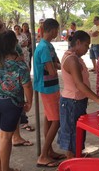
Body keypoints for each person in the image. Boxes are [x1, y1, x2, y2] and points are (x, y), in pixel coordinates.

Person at [58, 30, 99, 159]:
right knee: (72, 135)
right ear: (77, 42)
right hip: (72, 101)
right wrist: (98, 99)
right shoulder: (71, 59)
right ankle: (72, 161)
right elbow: (79, 84)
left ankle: (76, 157)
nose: (88, 49)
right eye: (86, 45)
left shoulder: (76, 57)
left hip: (77, 101)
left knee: (77, 133)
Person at [0, 30, 33, 171]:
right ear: (13, 44)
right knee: (6, 137)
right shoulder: (19, 65)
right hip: (9, 104)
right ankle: (5, 169)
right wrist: (29, 102)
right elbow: (27, 86)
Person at [34, 18, 63, 167]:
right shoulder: (44, 47)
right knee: (56, 120)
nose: (57, 33)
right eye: (57, 30)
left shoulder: (48, 45)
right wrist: (55, 66)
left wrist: (55, 66)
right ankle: (43, 155)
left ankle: (49, 151)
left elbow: (57, 64)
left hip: (50, 86)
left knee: (50, 119)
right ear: (52, 30)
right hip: (48, 87)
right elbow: (53, 69)